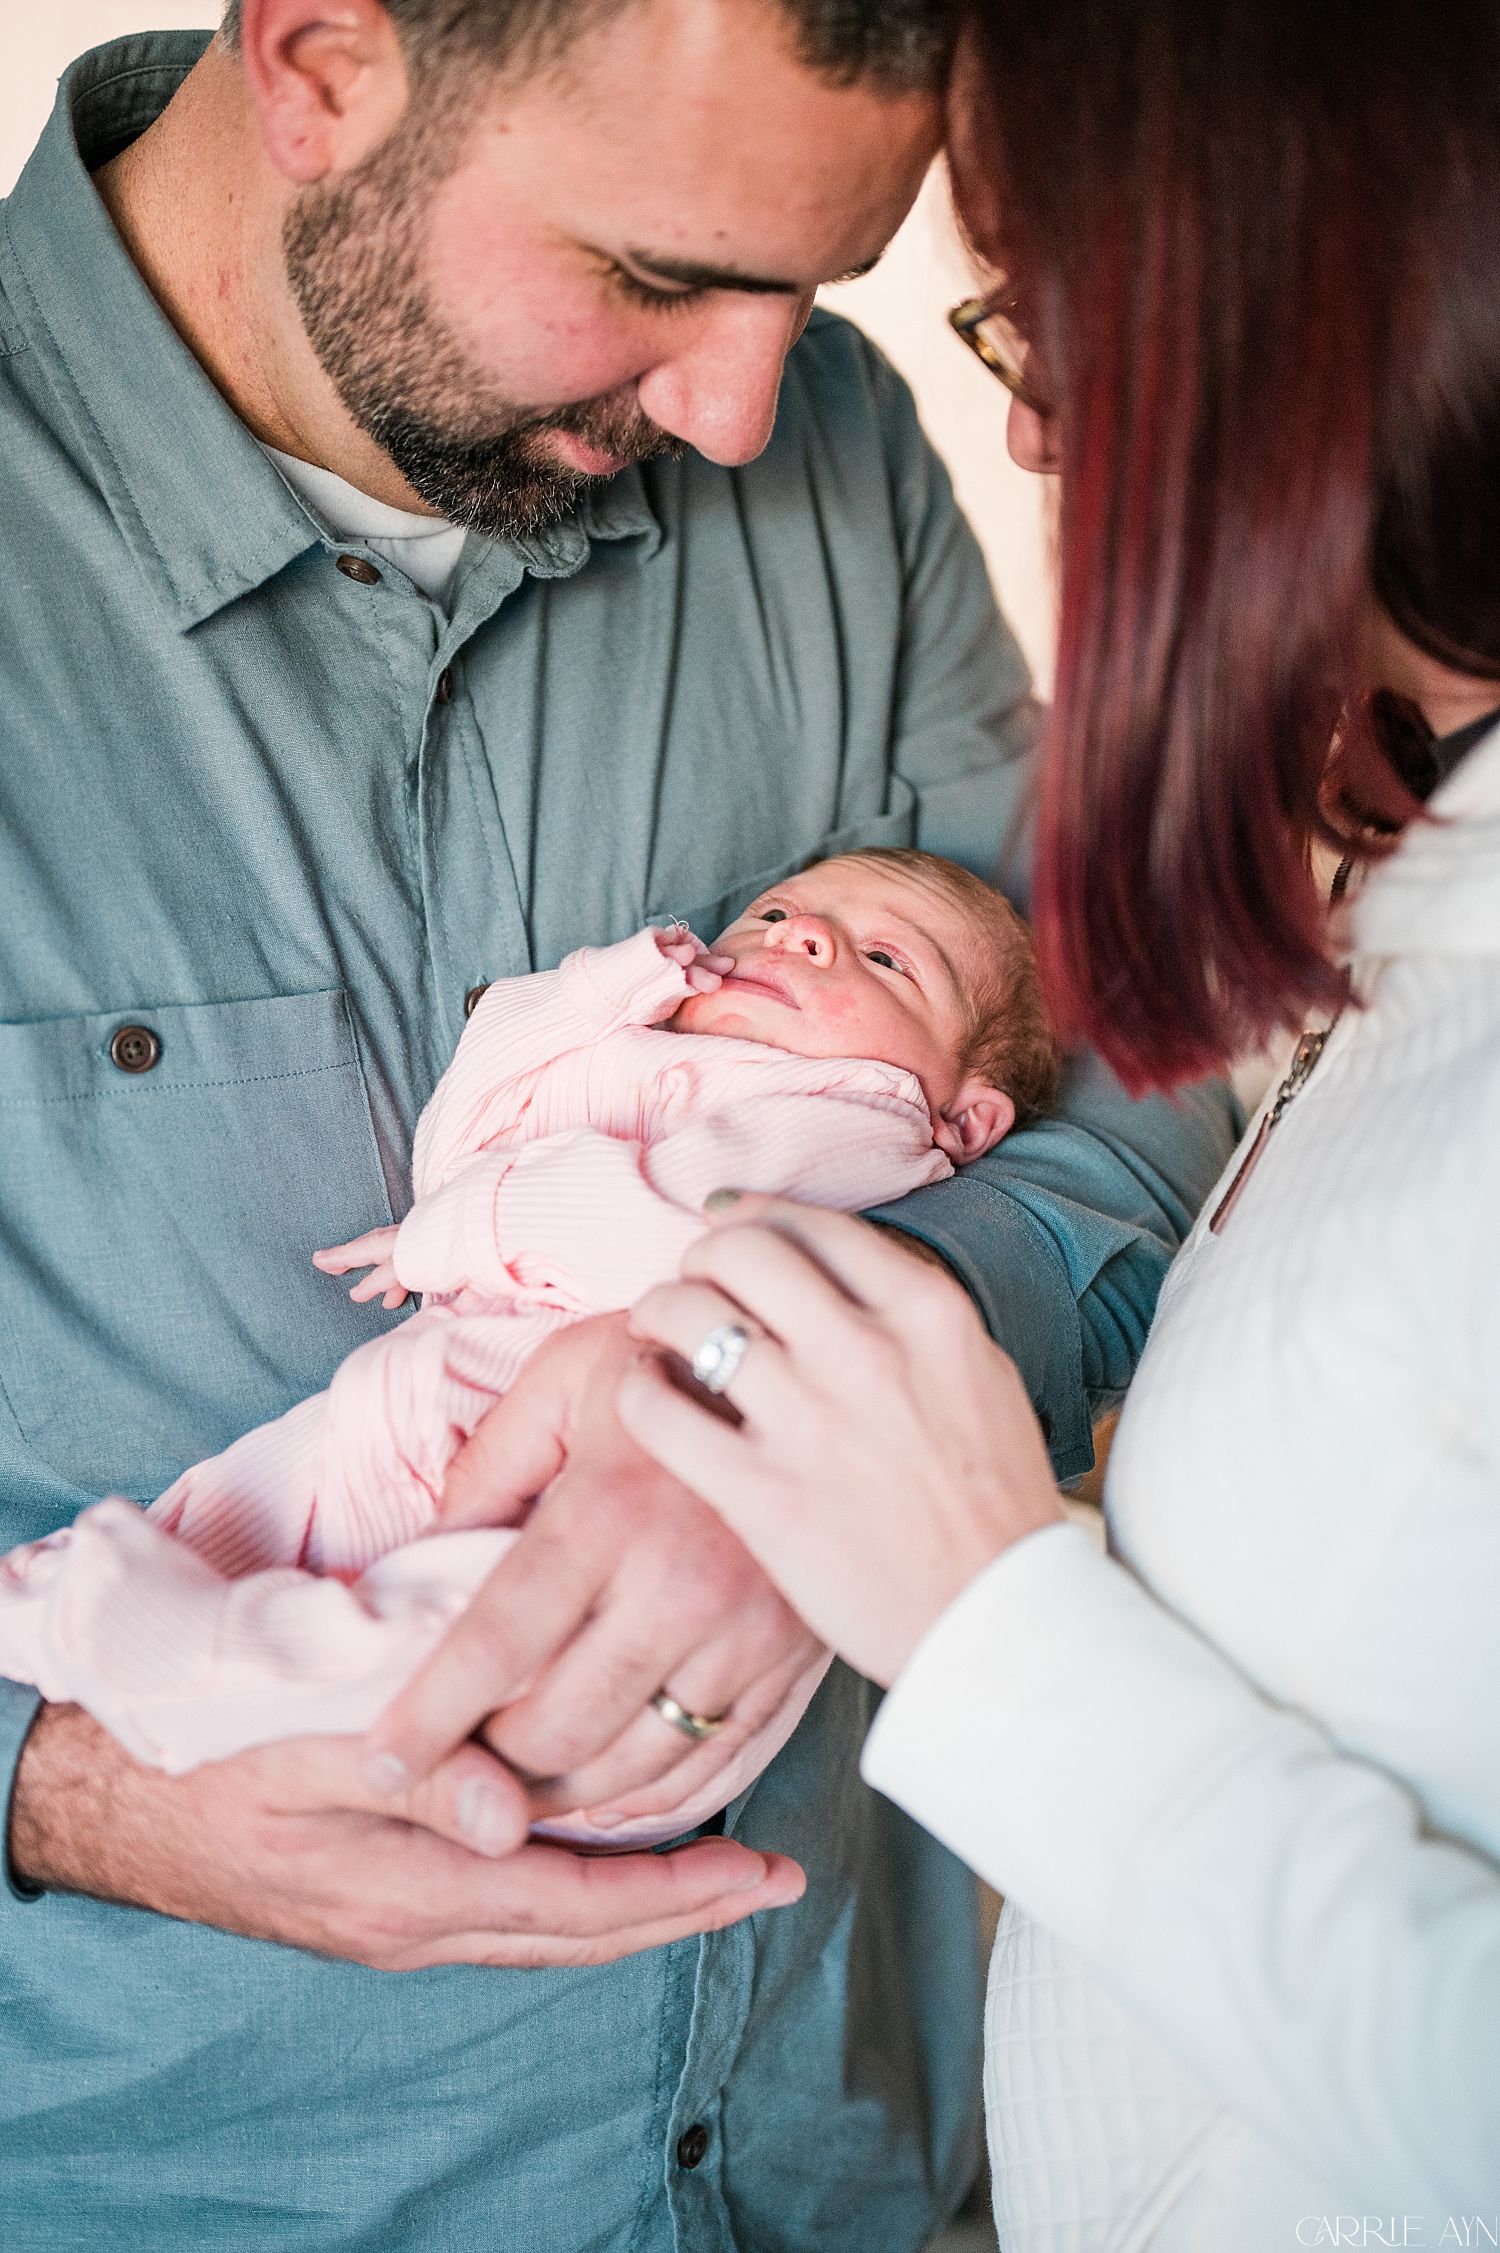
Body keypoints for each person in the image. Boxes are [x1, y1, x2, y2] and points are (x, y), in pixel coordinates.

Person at [0, 4, 1235, 2246]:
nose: (750, 406)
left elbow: (1152, 1044)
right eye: (660, 276)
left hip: (861, 2172)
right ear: (319, 63)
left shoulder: (835, 455)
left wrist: (796, 1392)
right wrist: (70, 1790)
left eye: (818, 295)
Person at [601, 0, 1500, 2240]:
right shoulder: (1422, 933)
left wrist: (989, 1607)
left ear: (1294, 319)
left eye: (1052, 312)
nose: (1023, 426)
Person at [0, 852, 1054, 1836]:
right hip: (447, 1402)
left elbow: (670, 1238)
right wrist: (595, 992)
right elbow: (463, 1133)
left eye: (884, 958)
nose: (806, 935)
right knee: (255, 1496)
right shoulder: (646, 1053)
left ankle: (180, 1652)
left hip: (591, 1519)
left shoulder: (859, 1118)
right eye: (776, 914)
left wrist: (460, 1229)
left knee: (457, 1648)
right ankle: (86, 1614)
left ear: (966, 1121)